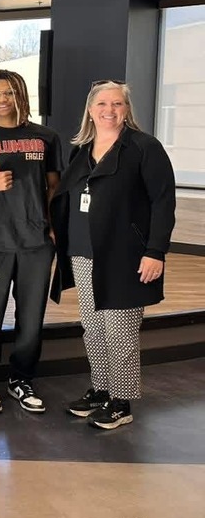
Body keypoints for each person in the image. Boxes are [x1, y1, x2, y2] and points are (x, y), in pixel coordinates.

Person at [51, 81, 175, 430]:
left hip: (126, 255)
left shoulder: (144, 147)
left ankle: (121, 402)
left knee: (120, 331)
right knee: (93, 329)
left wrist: (155, 251)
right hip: (83, 252)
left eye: (117, 103)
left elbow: (163, 202)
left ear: (127, 109)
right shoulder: (81, 150)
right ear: (90, 110)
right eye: (102, 103)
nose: (110, 110)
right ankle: (102, 390)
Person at [0, 71, 61, 415]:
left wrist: (54, 227)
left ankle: (22, 379)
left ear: (21, 95)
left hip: (36, 243)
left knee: (31, 317)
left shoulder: (45, 137)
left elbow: (54, 186)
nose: (2, 100)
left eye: (9, 93)